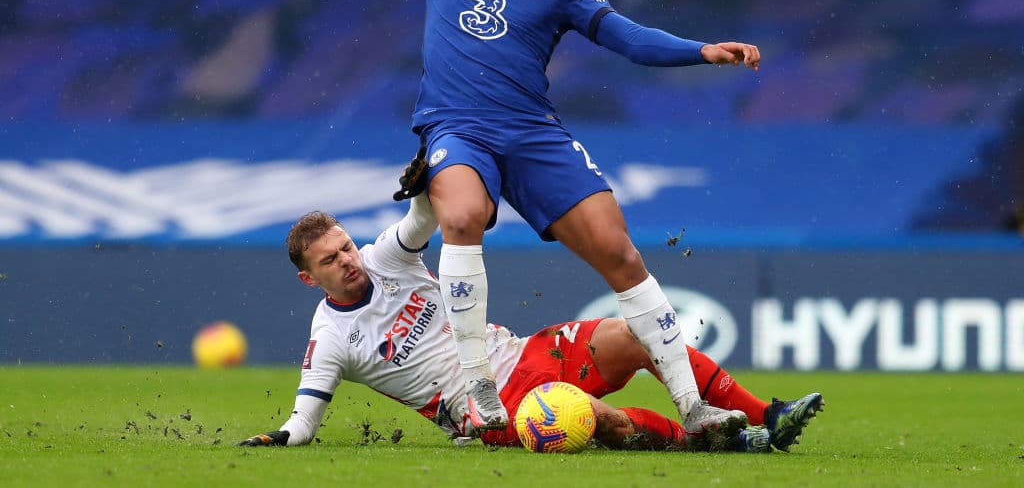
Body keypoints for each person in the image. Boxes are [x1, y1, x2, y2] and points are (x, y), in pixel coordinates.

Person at [222, 0, 763, 439]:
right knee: (463, 214)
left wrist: (699, 50)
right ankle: (480, 387)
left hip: (532, 131)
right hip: (457, 127)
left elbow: (626, 38)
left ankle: (694, 408)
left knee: (620, 253)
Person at [237, 198, 823, 452]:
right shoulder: (333, 341)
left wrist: (426, 172)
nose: (348, 260)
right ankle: (712, 444)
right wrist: (278, 438)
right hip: (488, 410)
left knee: (637, 332)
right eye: (330, 260)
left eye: (344, 246)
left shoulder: (385, 256)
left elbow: (421, 218)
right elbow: (303, 420)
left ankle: (764, 414)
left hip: (525, 353)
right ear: (309, 280)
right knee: (596, 419)